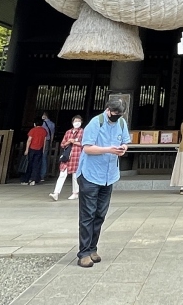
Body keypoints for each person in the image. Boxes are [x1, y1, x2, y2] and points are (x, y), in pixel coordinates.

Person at [75, 98, 130, 268]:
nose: (117, 116)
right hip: (90, 174)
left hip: (109, 175)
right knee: (88, 214)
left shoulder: (121, 123)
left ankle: (93, 248)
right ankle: (84, 253)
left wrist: (123, 148)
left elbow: (125, 141)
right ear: (108, 110)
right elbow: (87, 148)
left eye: (120, 114)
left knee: (100, 214)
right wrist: (109, 149)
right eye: (114, 113)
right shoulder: (95, 123)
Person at [50, 115, 84, 200]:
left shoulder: (83, 132)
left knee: (75, 175)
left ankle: (75, 193)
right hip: (67, 156)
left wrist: (75, 142)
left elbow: (84, 144)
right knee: (62, 174)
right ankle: (56, 193)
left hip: (77, 156)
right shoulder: (68, 132)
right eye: (75, 121)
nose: (77, 123)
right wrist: (69, 142)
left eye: (79, 121)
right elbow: (62, 144)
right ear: (72, 122)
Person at [24, 119, 47, 186]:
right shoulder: (44, 131)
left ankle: (27, 179)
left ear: (35, 124)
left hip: (32, 149)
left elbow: (29, 140)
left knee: (30, 164)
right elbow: (44, 141)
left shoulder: (33, 130)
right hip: (39, 149)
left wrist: (26, 149)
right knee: (36, 165)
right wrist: (43, 149)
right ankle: (34, 180)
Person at [40, 112, 56, 180]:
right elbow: (52, 134)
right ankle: (43, 174)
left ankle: (39, 174)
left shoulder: (42, 123)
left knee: (40, 156)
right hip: (48, 141)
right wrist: (51, 142)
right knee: (45, 157)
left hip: (42, 140)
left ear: (45, 116)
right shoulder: (52, 124)